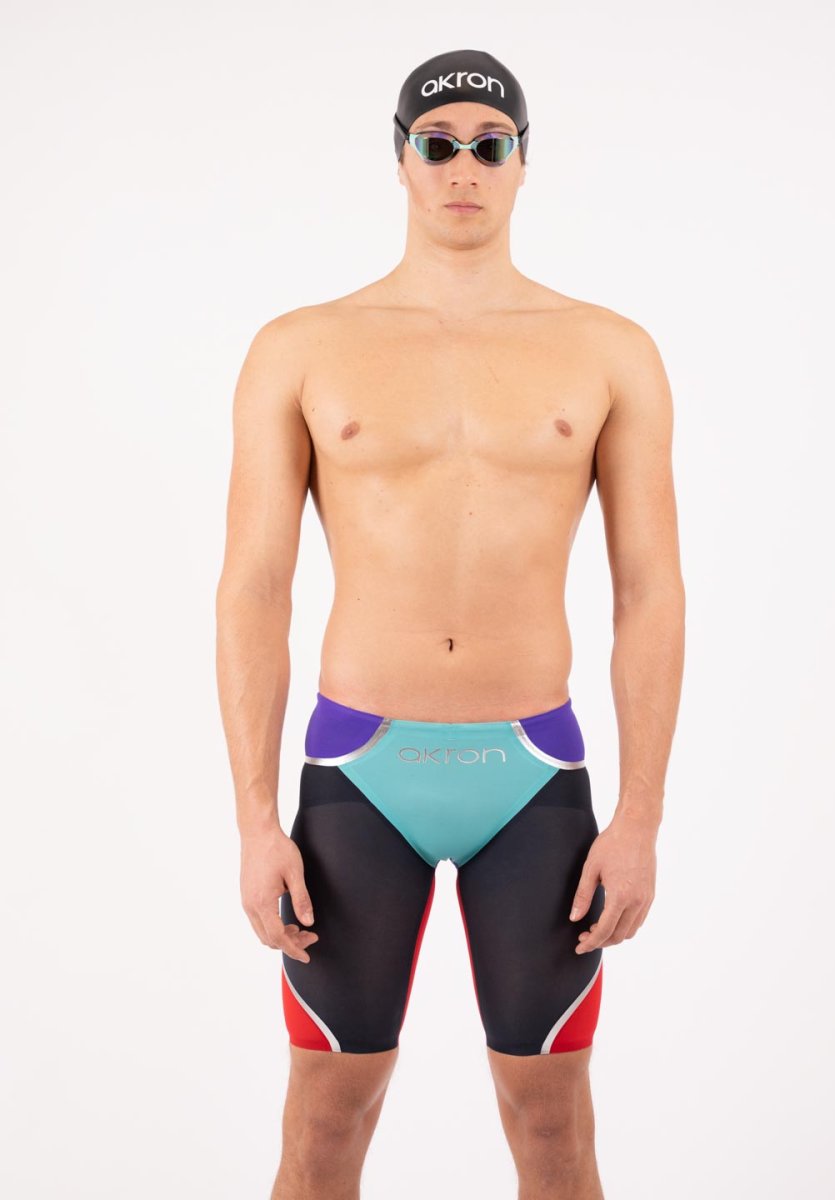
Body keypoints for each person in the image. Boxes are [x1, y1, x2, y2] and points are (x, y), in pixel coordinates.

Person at [216, 47, 685, 1200]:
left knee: (554, 1125)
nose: (463, 167)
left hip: (534, 777)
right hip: (355, 773)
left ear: (524, 162)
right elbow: (254, 589)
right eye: (439, 145)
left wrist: (639, 817)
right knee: (325, 1121)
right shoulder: (301, 347)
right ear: (401, 160)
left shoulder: (609, 349)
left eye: (489, 144)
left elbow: (650, 592)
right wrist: (255, 820)